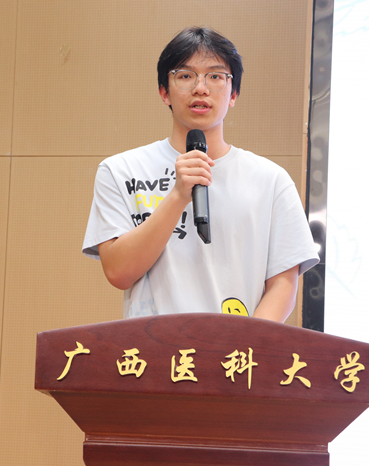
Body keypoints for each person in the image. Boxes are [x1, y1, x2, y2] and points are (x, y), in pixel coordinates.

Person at [82, 26, 319, 322]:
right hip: (151, 348)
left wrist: (245, 344)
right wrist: (178, 195)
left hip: (237, 348)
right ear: (164, 92)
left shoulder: (271, 180)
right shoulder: (120, 170)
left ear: (233, 94)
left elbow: (283, 286)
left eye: (216, 76)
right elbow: (119, 272)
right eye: (185, 76)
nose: (201, 88)